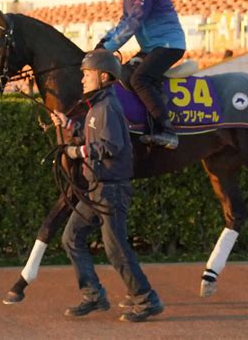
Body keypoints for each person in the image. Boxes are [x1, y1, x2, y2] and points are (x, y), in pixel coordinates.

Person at [50, 49, 164, 323]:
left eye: (87, 75)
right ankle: (93, 295)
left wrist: (77, 153)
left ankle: (146, 299)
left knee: (115, 248)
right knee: (71, 238)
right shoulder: (96, 107)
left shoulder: (107, 107)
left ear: (103, 76)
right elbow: (92, 136)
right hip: (97, 188)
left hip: (111, 189)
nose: (82, 80)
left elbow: (111, 145)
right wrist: (69, 127)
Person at [95, 0, 186, 150]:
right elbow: (125, 19)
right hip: (152, 47)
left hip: (169, 45)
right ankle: (152, 114)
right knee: (124, 74)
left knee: (139, 79)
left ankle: (167, 131)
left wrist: (107, 48)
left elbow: (135, 19)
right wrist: (103, 43)